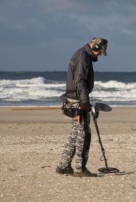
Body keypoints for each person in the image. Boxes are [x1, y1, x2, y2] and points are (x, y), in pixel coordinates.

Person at [56, 37, 108, 177]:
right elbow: (80, 81)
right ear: (95, 47)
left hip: (74, 99)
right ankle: (80, 169)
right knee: (83, 134)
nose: (99, 55)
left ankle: (63, 166)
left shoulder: (82, 54)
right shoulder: (83, 56)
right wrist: (85, 102)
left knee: (75, 133)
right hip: (77, 101)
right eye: (100, 52)